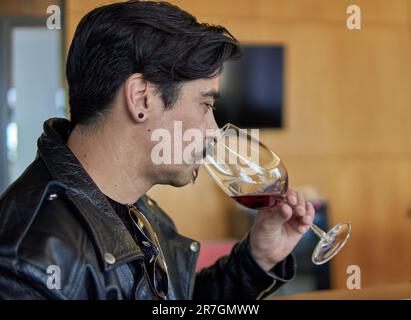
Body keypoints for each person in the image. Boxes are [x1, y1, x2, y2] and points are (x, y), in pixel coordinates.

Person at [0, 1, 315, 300]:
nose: (213, 130)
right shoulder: (27, 260)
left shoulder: (138, 210)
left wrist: (257, 258)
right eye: (206, 104)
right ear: (141, 98)